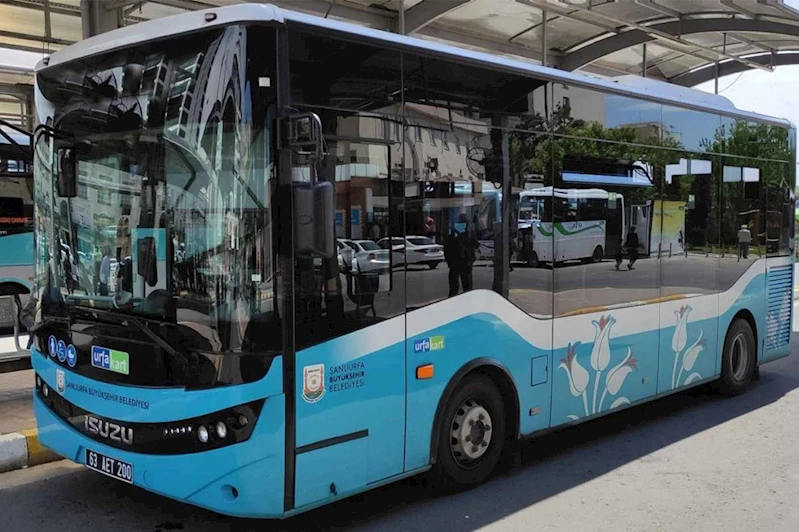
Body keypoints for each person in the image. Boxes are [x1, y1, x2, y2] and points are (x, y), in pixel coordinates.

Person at [444, 214, 479, 297]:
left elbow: (447, 248)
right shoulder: (468, 233)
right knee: (466, 286)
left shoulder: (454, 233)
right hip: (464, 261)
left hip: (456, 262)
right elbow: (475, 244)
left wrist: (449, 261)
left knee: (454, 287)